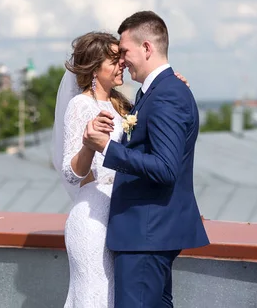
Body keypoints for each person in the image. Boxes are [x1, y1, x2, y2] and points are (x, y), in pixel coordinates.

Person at [52, 31, 190, 308]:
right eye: (114, 60)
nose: (122, 65)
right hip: (93, 217)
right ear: (94, 67)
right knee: (96, 296)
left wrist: (172, 87)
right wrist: (90, 146)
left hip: (121, 216)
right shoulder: (81, 105)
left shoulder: (122, 105)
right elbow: (70, 173)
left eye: (122, 57)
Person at [83, 11, 209, 308]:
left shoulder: (167, 95)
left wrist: (107, 148)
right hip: (150, 231)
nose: (122, 60)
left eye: (125, 51)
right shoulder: (157, 91)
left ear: (147, 48)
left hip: (146, 233)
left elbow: (166, 168)